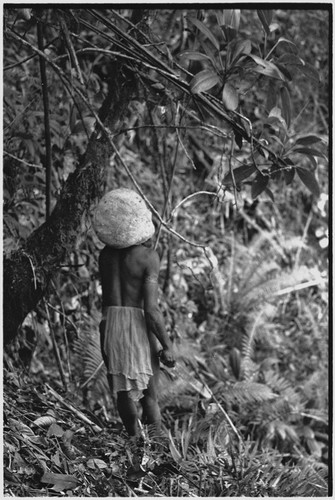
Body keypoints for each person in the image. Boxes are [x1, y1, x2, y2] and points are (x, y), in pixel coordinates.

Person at [98, 238, 176, 438]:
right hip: (137, 324)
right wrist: (167, 345)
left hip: (110, 324)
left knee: (123, 392)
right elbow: (151, 311)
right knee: (149, 397)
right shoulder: (149, 257)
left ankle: (134, 440)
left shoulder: (105, 254)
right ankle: (154, 450)